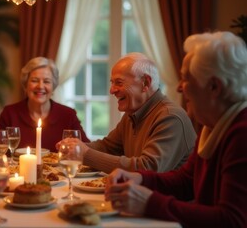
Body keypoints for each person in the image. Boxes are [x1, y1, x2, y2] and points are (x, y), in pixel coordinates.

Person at [105, 31, 247, 227]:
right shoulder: (213, 126)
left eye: (187, 79)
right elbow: (186, 181)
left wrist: (149, 203)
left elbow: (232, 220)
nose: (180, 87)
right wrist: (140, 178)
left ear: (214, 87)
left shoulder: (241, 133)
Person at [57, 52, 196, 173]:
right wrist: (73, 148)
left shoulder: (170, 117)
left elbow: (148, 168)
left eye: (119, 82)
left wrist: (85, 154)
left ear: (145, 83)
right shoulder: (132, 114)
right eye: (112, 83)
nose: (112, 90)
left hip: (165, 201)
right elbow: (108, 147)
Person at [0, 57, 90, 153]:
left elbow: (86, 150)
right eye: (34, 80)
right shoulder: (10, 113)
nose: (40, 86)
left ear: (53, 87)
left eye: (46, 81)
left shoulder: (68, 115)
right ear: (25, 85)